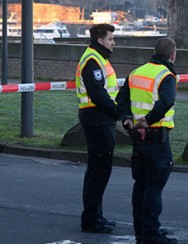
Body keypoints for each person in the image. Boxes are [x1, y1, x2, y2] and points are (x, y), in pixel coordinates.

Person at [116, 37, 179, 244]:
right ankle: (152, 233)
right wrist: (148, 120)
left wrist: (127, 118)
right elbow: (167, 101)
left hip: (138, 139)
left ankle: (141, 232)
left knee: (140, 185)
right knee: (154, 187)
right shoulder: (166, 75)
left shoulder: (136, 72)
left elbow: (122, 98)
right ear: (172, 55)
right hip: (156, 137)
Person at [75, 23, 119, 234]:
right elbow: (98, 94)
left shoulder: (98, 59)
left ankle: (95, 216)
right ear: (101, 40)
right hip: (97, 118)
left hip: (100, 118)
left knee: (98, 169)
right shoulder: (93, 61)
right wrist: (118, 112)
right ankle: (91, 219)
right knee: (98, 170)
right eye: (111, 39)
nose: (114, 42)